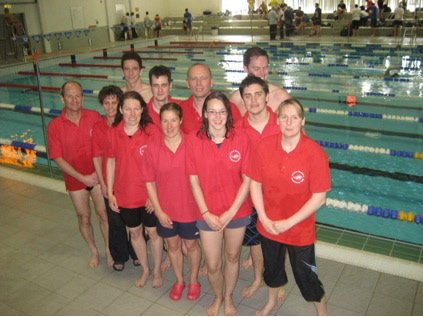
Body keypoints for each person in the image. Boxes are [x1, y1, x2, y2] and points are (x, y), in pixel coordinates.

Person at [247, 98, 331, 316]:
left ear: (303, 120)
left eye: (294, 117)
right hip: (269, 227)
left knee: (307, 277)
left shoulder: (315, 153)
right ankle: (271, 302)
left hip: (299, 231)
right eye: (284, 117)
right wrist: (264, 218)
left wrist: (288, 223)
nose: (289, 122)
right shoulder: (265, 146)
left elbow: (319, 198)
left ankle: (322, 312)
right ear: (277, 120)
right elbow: (255, 183)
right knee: (272, 270)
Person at [186, 91, 252, 316]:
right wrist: (205, 212)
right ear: (205, 114)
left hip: (237, 211)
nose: (217, 117)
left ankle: (228, 297)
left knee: (232, 256)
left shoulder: (241, 138)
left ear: (228, 114)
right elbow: (193, 180)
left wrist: (231, 212)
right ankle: (217, 295)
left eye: (221, 112)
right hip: (207, 212)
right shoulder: (194, 140)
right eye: (212, 112)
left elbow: (247, 180)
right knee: (213, 264)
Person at [47, 80, 111, 268]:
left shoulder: (94, 117)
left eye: (77, 96)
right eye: (69, 96)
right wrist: (82, 178)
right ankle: (93, 250)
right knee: (83, 217)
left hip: (97, 176)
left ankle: (108, 249)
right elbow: (58, 158)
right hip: (76, 180)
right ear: (62, 99)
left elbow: (105, 145)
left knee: (103, 215)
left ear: (83, 98)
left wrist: (98, 173)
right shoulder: (55, 126)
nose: (74, 100)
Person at [142, 103, 202, 301]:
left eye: (173, 120)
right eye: (165, 121)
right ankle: (179, 280)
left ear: (181, 121)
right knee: (173, 247)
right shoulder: (153, 146)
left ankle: (193, 280)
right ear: (160, 122)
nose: (169, 126)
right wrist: (158, 211)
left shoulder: (193, 143)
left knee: (191, 246)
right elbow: (149, 181)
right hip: (165, 209)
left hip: (190, 209)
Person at [106, 91, 164, 288]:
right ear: (121, 110)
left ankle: (156, 270)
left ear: (142, 110)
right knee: (135, 233)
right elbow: (111, 161)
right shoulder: (115, 132)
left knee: (154, 233)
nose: (132, 113)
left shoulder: (151, 132)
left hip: (148, 194)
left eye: (136, 108)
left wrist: (153, 195)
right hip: (125, 195)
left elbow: (159, 165)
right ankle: (145, 269)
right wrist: (110, 192)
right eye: (128, 109)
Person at [236, 75, 280, 299]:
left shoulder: (282, 124)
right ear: (242, 100)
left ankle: (277, 281)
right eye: (248, 96)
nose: (253, 101)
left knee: (278, 242)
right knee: (254, 242)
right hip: (250, 199)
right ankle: (257, 278)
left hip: (279, 198)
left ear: (267, 97)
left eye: (258, 94)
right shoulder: (236, 129)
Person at [92, 85, 138, 272]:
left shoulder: (127, 123)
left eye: (114, 102)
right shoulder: (98, 127)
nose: (110, 106)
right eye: (106, 102)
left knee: (135, 222)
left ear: (120, 105)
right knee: (115, 220)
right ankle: (119, 255)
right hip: (110, 182)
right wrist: (103, 184)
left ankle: (136, 252)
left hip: (130, 181)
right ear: (102, 104)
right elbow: (97, 156)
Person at [181, 63, 241, 133]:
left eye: (203, 78)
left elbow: (239, 137)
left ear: (211, 82)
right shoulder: (180, 110)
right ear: (187, 83)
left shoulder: (229, 108)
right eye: (194, 79)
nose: (198, 83)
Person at [230, 46, 291, 116]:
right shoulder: (236, 99)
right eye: (257, 69)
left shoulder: (281, 98)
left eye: (265, 68)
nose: (262, 73)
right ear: (245, 69)